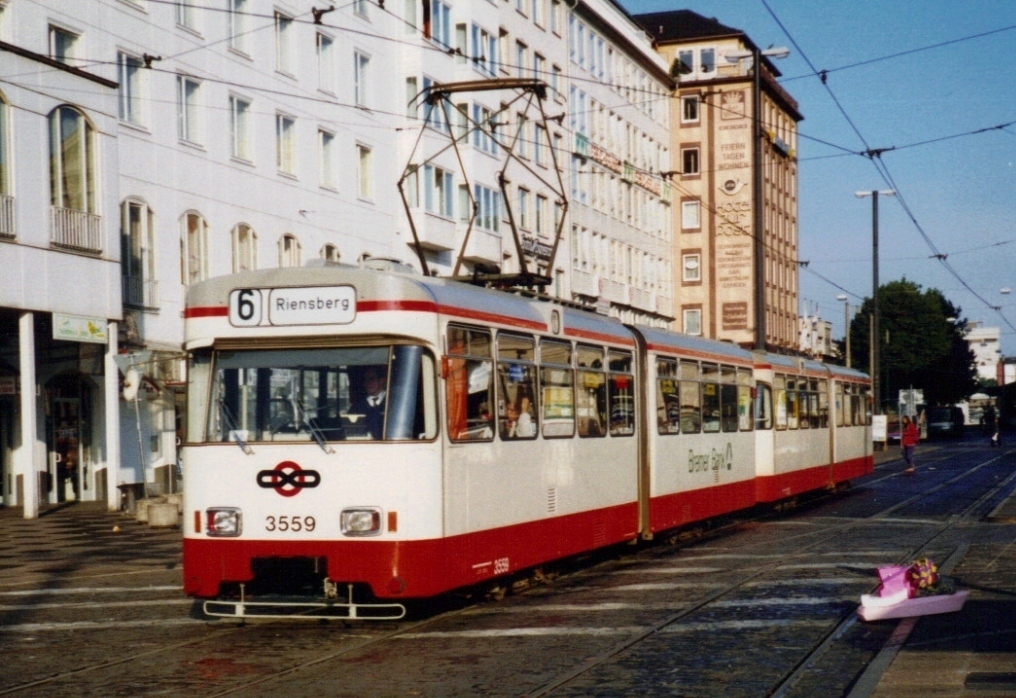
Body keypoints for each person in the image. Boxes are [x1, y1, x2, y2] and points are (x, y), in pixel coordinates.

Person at [350, 366, 386, 439]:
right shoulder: (357, 406)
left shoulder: (392, 403)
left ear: (381, 380)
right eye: (365, 379)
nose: (368, 383)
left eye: (371, 378)